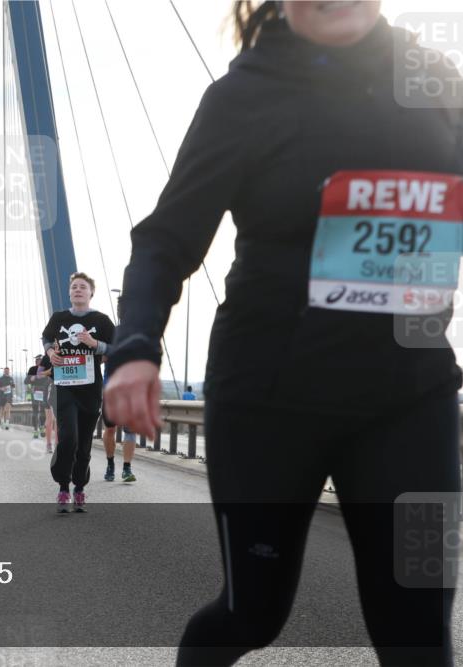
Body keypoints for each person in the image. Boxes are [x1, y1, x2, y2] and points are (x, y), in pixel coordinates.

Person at [103, 3, 462, 664]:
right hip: (269, 401)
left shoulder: (436, 83)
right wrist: (134, 349)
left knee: (419, 634)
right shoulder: (243, 97)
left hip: (410, 399)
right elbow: (165, 239)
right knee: (252, 614)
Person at [43, 272, 114, 512]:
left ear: (91, 293)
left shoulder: (102, 321)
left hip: (90, 391)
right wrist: (50, 353)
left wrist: (95, 344)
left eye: (83, 287)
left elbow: (116, 348)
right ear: (69, 292)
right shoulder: (59, 318)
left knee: (83, 443)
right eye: (74, 287)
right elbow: (47, 337)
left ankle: (80, 487)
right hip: (65, 389)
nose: (78, 290)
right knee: (69, 438)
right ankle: (63, 486)